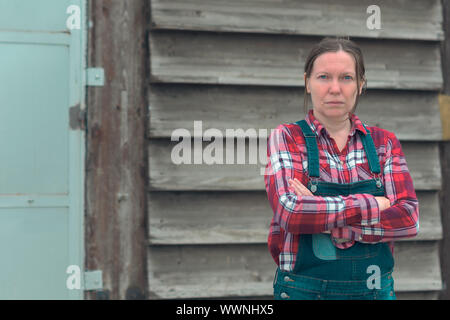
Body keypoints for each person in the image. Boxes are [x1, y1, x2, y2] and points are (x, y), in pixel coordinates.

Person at [264, 37, 419, 300]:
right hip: (304, 291)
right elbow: (290, 211)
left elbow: (408, 219)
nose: (335, 88)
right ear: (307, 82)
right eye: (324, 77)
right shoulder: (287, 137)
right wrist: (371, 204)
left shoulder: (384, 143)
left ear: (361, 85)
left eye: (346, 78)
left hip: (374, 291)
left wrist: (330, 224)